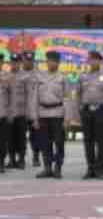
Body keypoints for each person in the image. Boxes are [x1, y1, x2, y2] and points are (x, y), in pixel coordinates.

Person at [29, 50, 70, 179]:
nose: (50, 63)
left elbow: (67, 98)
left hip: (57, 114)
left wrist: (67, 118)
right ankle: (47, 168)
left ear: (58, 63)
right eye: (48, 61)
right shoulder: (40, 77)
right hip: (42, 113)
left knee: (59, 142)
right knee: (44, 143)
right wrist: (34, 117)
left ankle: (57, 167)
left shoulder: (62, 77)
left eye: (53, 61)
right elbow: (34, 97)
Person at [76, 51, 103, 179]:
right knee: (88, 141)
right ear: (88, 61)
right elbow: (78, 95)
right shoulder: (83, 76)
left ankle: (100, 169)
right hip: (86, 110)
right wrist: (78, 111)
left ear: (101, 61)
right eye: (91, 60)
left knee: (102, 141)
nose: (93, 62)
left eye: (96, 60)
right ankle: (90, 168)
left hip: (101, 109)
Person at [21, 54, 43, 167]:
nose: (27, 63)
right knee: (19, 136)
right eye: (25, 60)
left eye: (29, 61)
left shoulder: (39, 75)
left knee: (36, 135)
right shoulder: (16, 74)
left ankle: (36, 156)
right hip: (20, 110)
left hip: (34, 110)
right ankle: (20, 158)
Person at [0, 54, 10, 174]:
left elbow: (12, 96)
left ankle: (1, 162)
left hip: (3, 113)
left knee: (2, 140)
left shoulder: (8, 77)